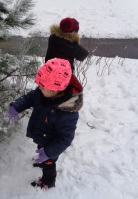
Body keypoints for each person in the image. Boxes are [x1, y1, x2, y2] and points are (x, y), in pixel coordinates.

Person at [5, 58, 83, 190]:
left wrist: (48, 152)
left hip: (52, 144)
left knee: (49, 163)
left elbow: (65, 138)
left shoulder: (66, 113)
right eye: (39, 86)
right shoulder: (43, 92)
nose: (39, 89)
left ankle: (48, 181)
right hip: (42, 135)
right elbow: (30, 98)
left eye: (42, 87)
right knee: (42, 150)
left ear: (54, 90)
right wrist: (15, 107)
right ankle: (43, 160)